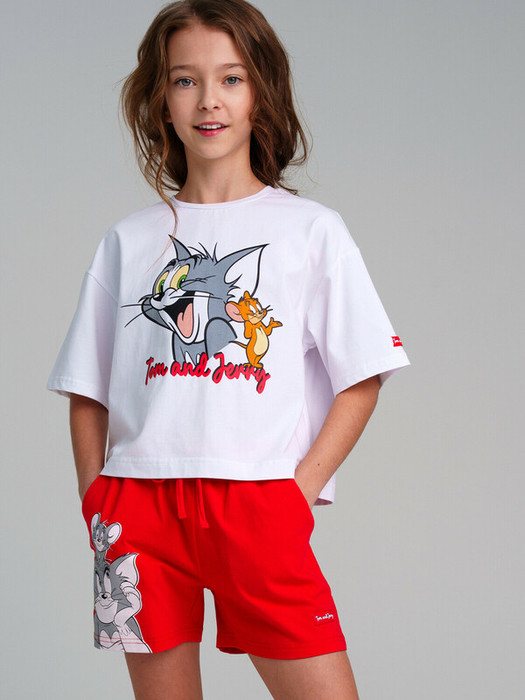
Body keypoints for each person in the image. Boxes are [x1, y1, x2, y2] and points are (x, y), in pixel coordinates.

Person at [47, 1, 410, 698]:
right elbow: (86, 388)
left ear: (259, 94)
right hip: (137, 510)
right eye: (185, 80)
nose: (208, 99)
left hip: (258, 506)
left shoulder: (311, 231)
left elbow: (362, 376)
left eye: (231, 78)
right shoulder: (127, 240)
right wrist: (98, 503)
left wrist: (295, 495)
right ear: (161, 100)